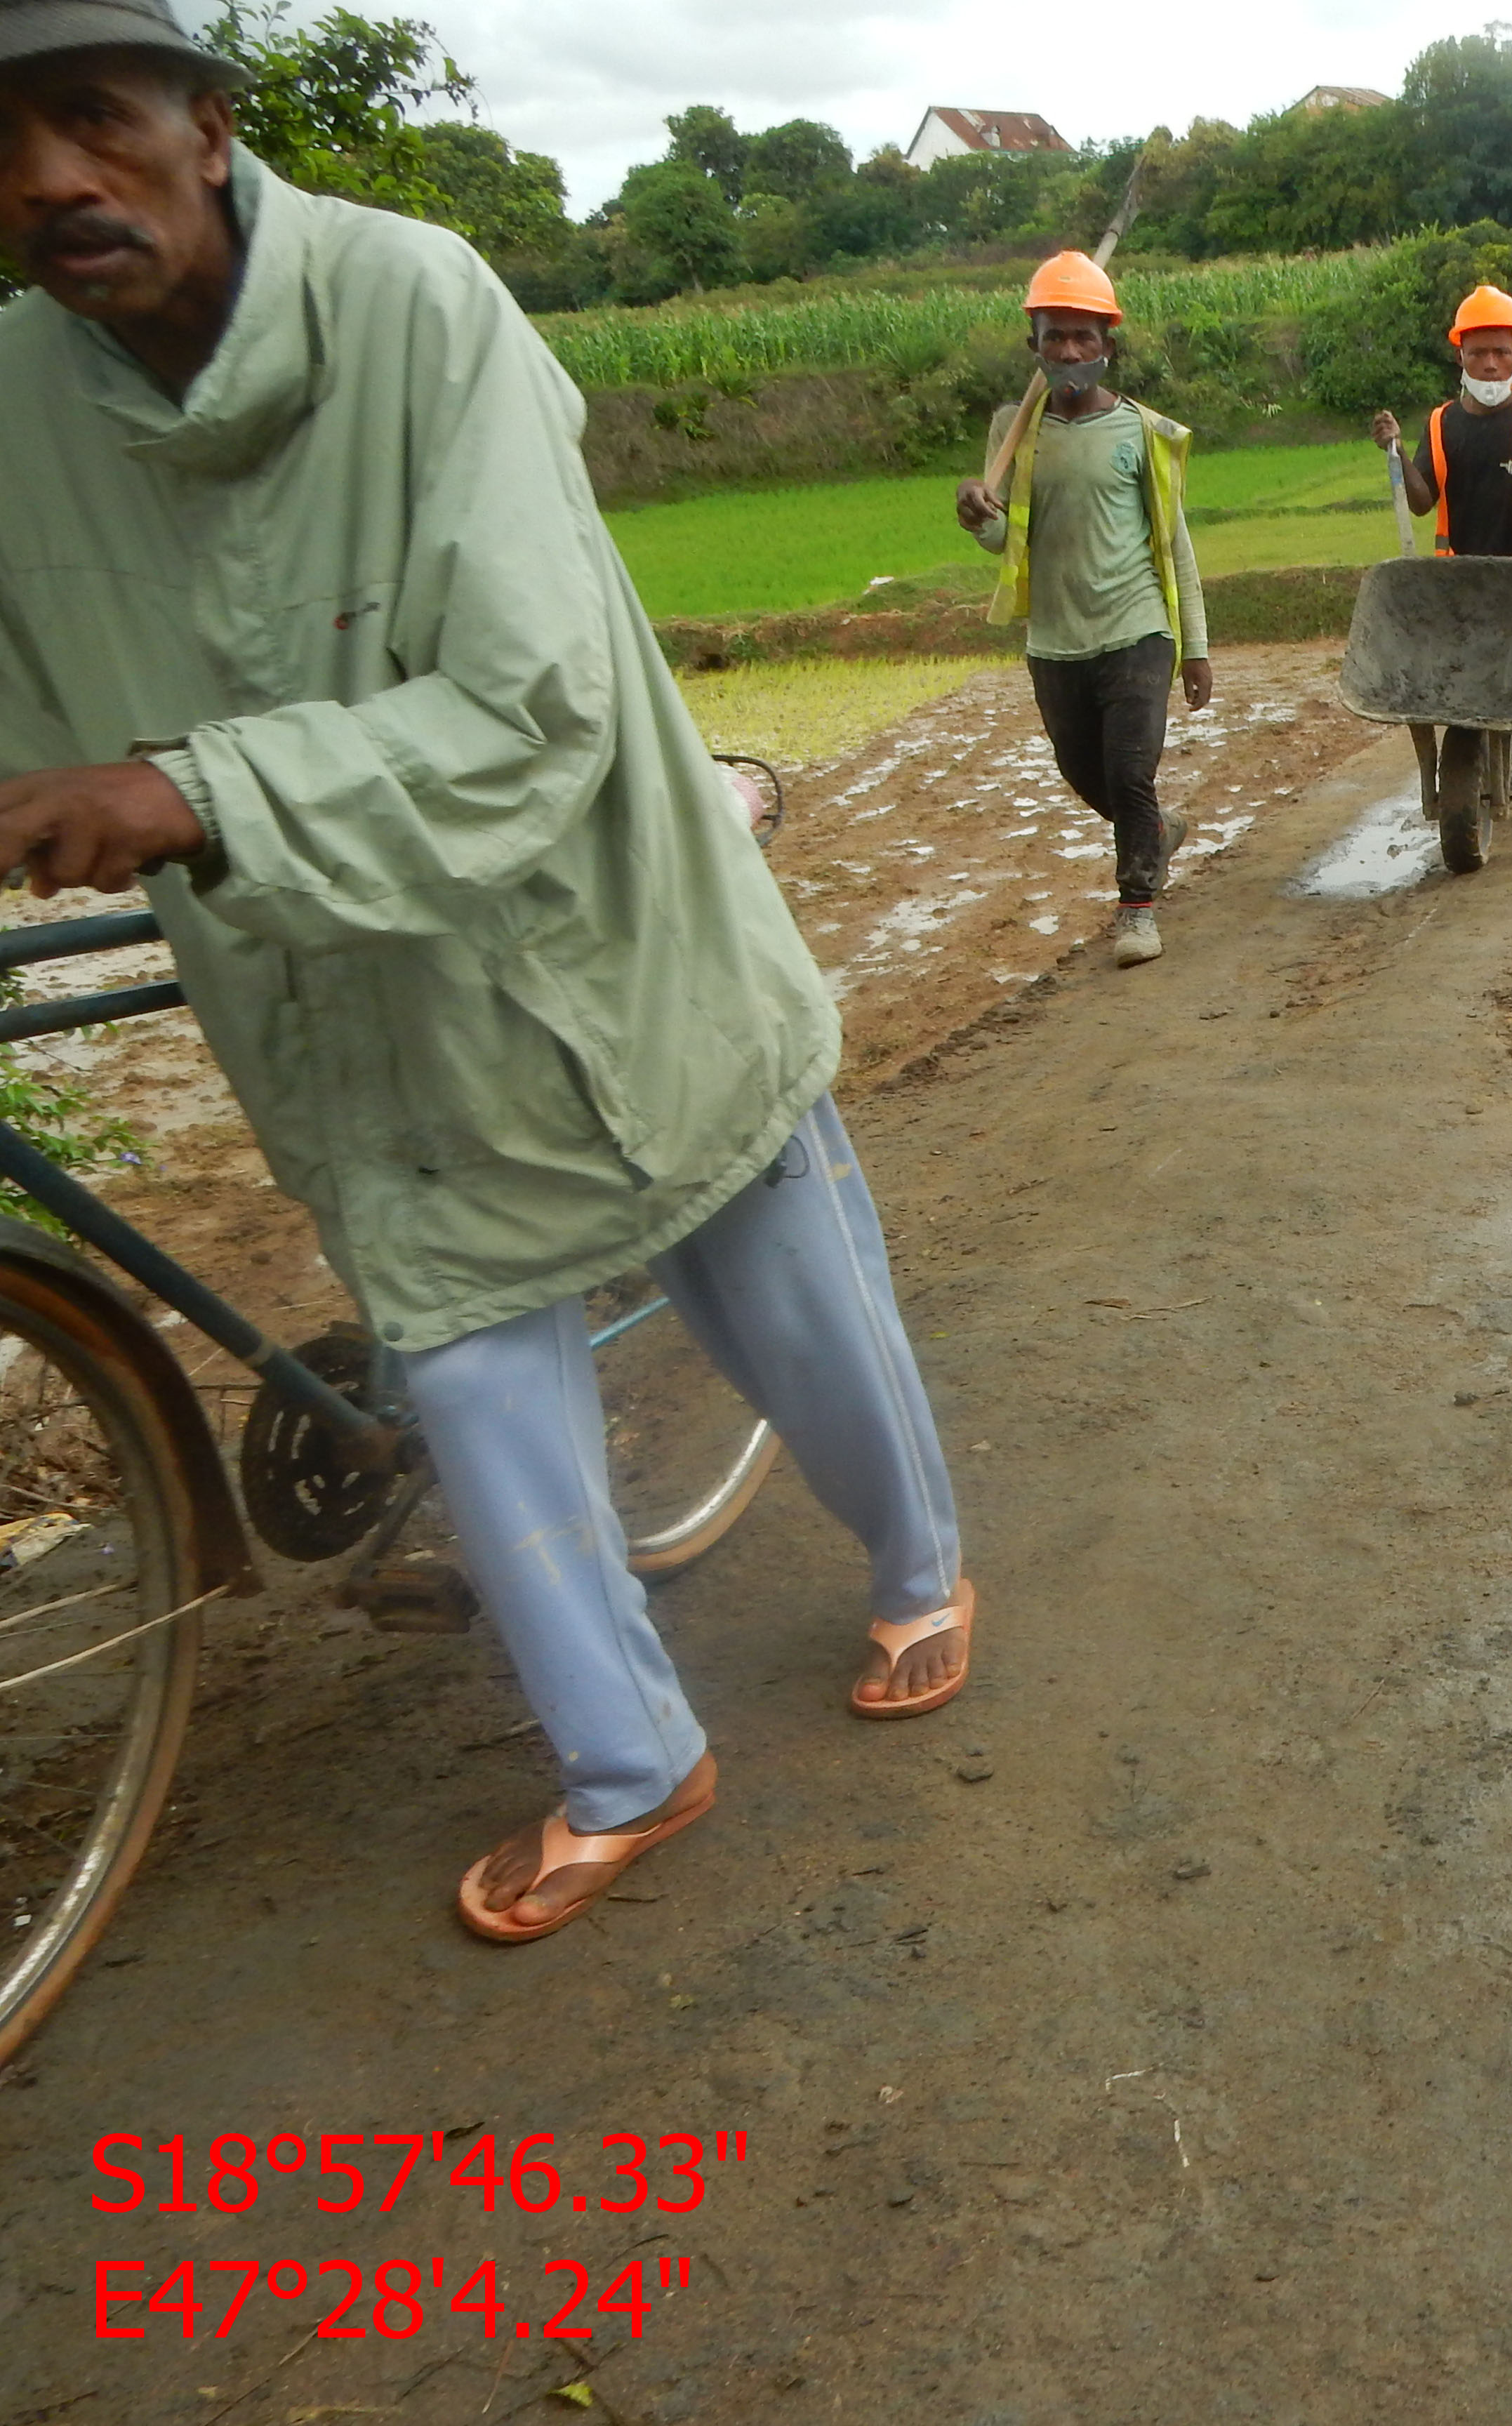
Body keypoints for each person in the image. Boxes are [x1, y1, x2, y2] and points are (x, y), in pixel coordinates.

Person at [0, 0, 970, 1944]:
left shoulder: (420, 305)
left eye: (91, 122)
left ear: (206, 123)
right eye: (4, 147)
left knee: (781, 1287)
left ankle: (922, 1560)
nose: (47, 182)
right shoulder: (16, 403)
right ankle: (635, 1761)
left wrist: (187, 790)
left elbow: (533, 706)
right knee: (464, 1352)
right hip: (344, 1004)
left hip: (603, 943)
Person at [956, 250, 1209, 969]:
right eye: (1056, 336)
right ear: (1032, 344)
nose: (1070, 350)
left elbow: (1176, 545)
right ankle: (1156, 830)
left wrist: (1195, 647)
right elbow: (1006, 539)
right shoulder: (1015, 430)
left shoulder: (1143, 434)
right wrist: (977, 516)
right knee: (1081, 769)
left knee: (1129, 771)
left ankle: (1136, 908)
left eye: (1085, 337)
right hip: (1056, 638)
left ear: (1108, 346)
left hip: (1137, 630)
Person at [1370, 286, 1512, 823]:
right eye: (1479, 354)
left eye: (1502, 354)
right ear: (1460, 356)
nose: (1491, 366)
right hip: (1463, 580)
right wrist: (1397, 454)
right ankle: (1477, 767)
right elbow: (1423, 504)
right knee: (1470, 679)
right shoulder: (1444, 424)